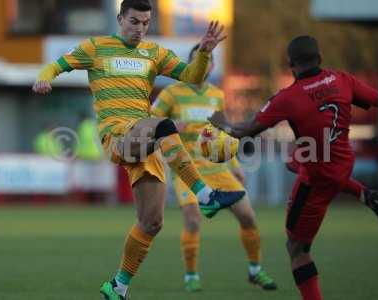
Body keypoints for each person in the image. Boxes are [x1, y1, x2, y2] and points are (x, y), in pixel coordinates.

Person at [32, 1, 245, 299]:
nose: (140, 29)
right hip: (119, 135)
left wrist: (206, 52)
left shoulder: (154, 53)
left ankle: (118, 286)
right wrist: (45, 77)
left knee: (152, 222)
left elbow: (193, 77)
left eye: (145, 23)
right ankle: (205, 194)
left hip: (147, 141)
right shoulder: (96, 47)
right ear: (120, 19)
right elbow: (58, 63)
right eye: (134, 21)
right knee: (162, 124)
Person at [209, 35, 378, 300]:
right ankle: (367, 195)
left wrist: (221, 124)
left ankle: (365, 195)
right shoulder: (342, 79)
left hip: (319, 178)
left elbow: (246, 130)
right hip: (341, 160)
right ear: (320, 58)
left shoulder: (288, 98)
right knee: (298, 156)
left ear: (290, 63)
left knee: (296, 248)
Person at [151, 44, 277, 292]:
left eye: (207, 61)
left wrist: (235, 163)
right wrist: (172, 124)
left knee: (248, 217)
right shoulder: (171, 93)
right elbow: (150, 121)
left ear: (213, 66)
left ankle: (255, 270)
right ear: (189, 65)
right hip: (187, 168)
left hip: (218, 169)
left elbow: (221, 133)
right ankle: (191, 275)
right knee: (193, 220)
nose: (203, 65)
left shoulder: (217, 95)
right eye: (198, 61)